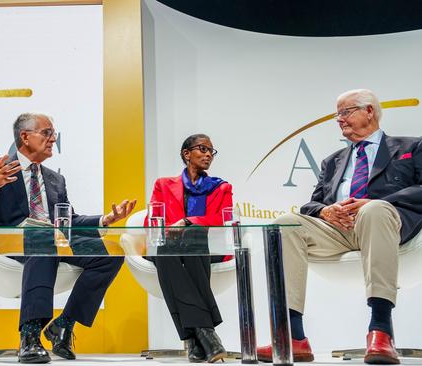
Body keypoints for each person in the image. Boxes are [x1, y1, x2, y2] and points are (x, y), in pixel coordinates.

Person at [259, 89, 422, 364]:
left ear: (369, 111)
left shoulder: (411, 147)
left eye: (345, 112)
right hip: (340, 231)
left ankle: (380, 330)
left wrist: (371, 202)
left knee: (374, 209)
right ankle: (293, 336)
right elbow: (311, 204)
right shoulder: (332, 161)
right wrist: (326, 210)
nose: (340, 120)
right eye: (338, 115)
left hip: (387, 223)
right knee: (284, 225)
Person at [0, 112, 136, 364]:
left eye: (53, 134)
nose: (53, 139)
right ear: (25, 137)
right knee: (44, 239)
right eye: (47, 133)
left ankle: (64, 324)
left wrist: (105, 220)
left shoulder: (55, 179)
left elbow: (68, 220)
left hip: (53, 239)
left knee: (111, 252)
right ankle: (30, 333)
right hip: (12, 240)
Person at [146, 134, 231, 363]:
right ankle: (206, 333)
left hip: (206, 248)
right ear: (186, 154)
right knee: (166, 248)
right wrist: (166, 228)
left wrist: (187, 222)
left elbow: (223, 219)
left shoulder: (222, 188)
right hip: (169, 248)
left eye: (211, 151)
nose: (207, 155)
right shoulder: (163, 185)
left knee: (193, 234)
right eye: (202, 149)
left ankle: (193, 339)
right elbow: (152, 219)